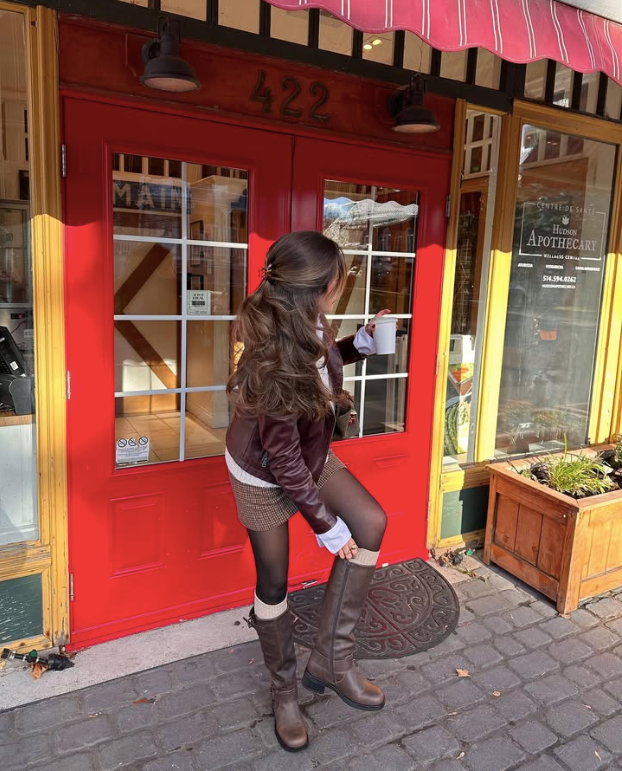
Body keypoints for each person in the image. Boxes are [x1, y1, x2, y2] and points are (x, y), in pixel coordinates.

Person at [225, 230, 390, 752]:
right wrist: (325, 525)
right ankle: (284, 693)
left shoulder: (308, 319)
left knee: (371, 522)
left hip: (305, 451)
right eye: (339, 280)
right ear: (316, 288)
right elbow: (282, 460)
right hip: (263, 470)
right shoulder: (272, 351)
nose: (342, 287)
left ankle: (332, 660)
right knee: (274, 584)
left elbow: (318, 368)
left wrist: (357, 345)